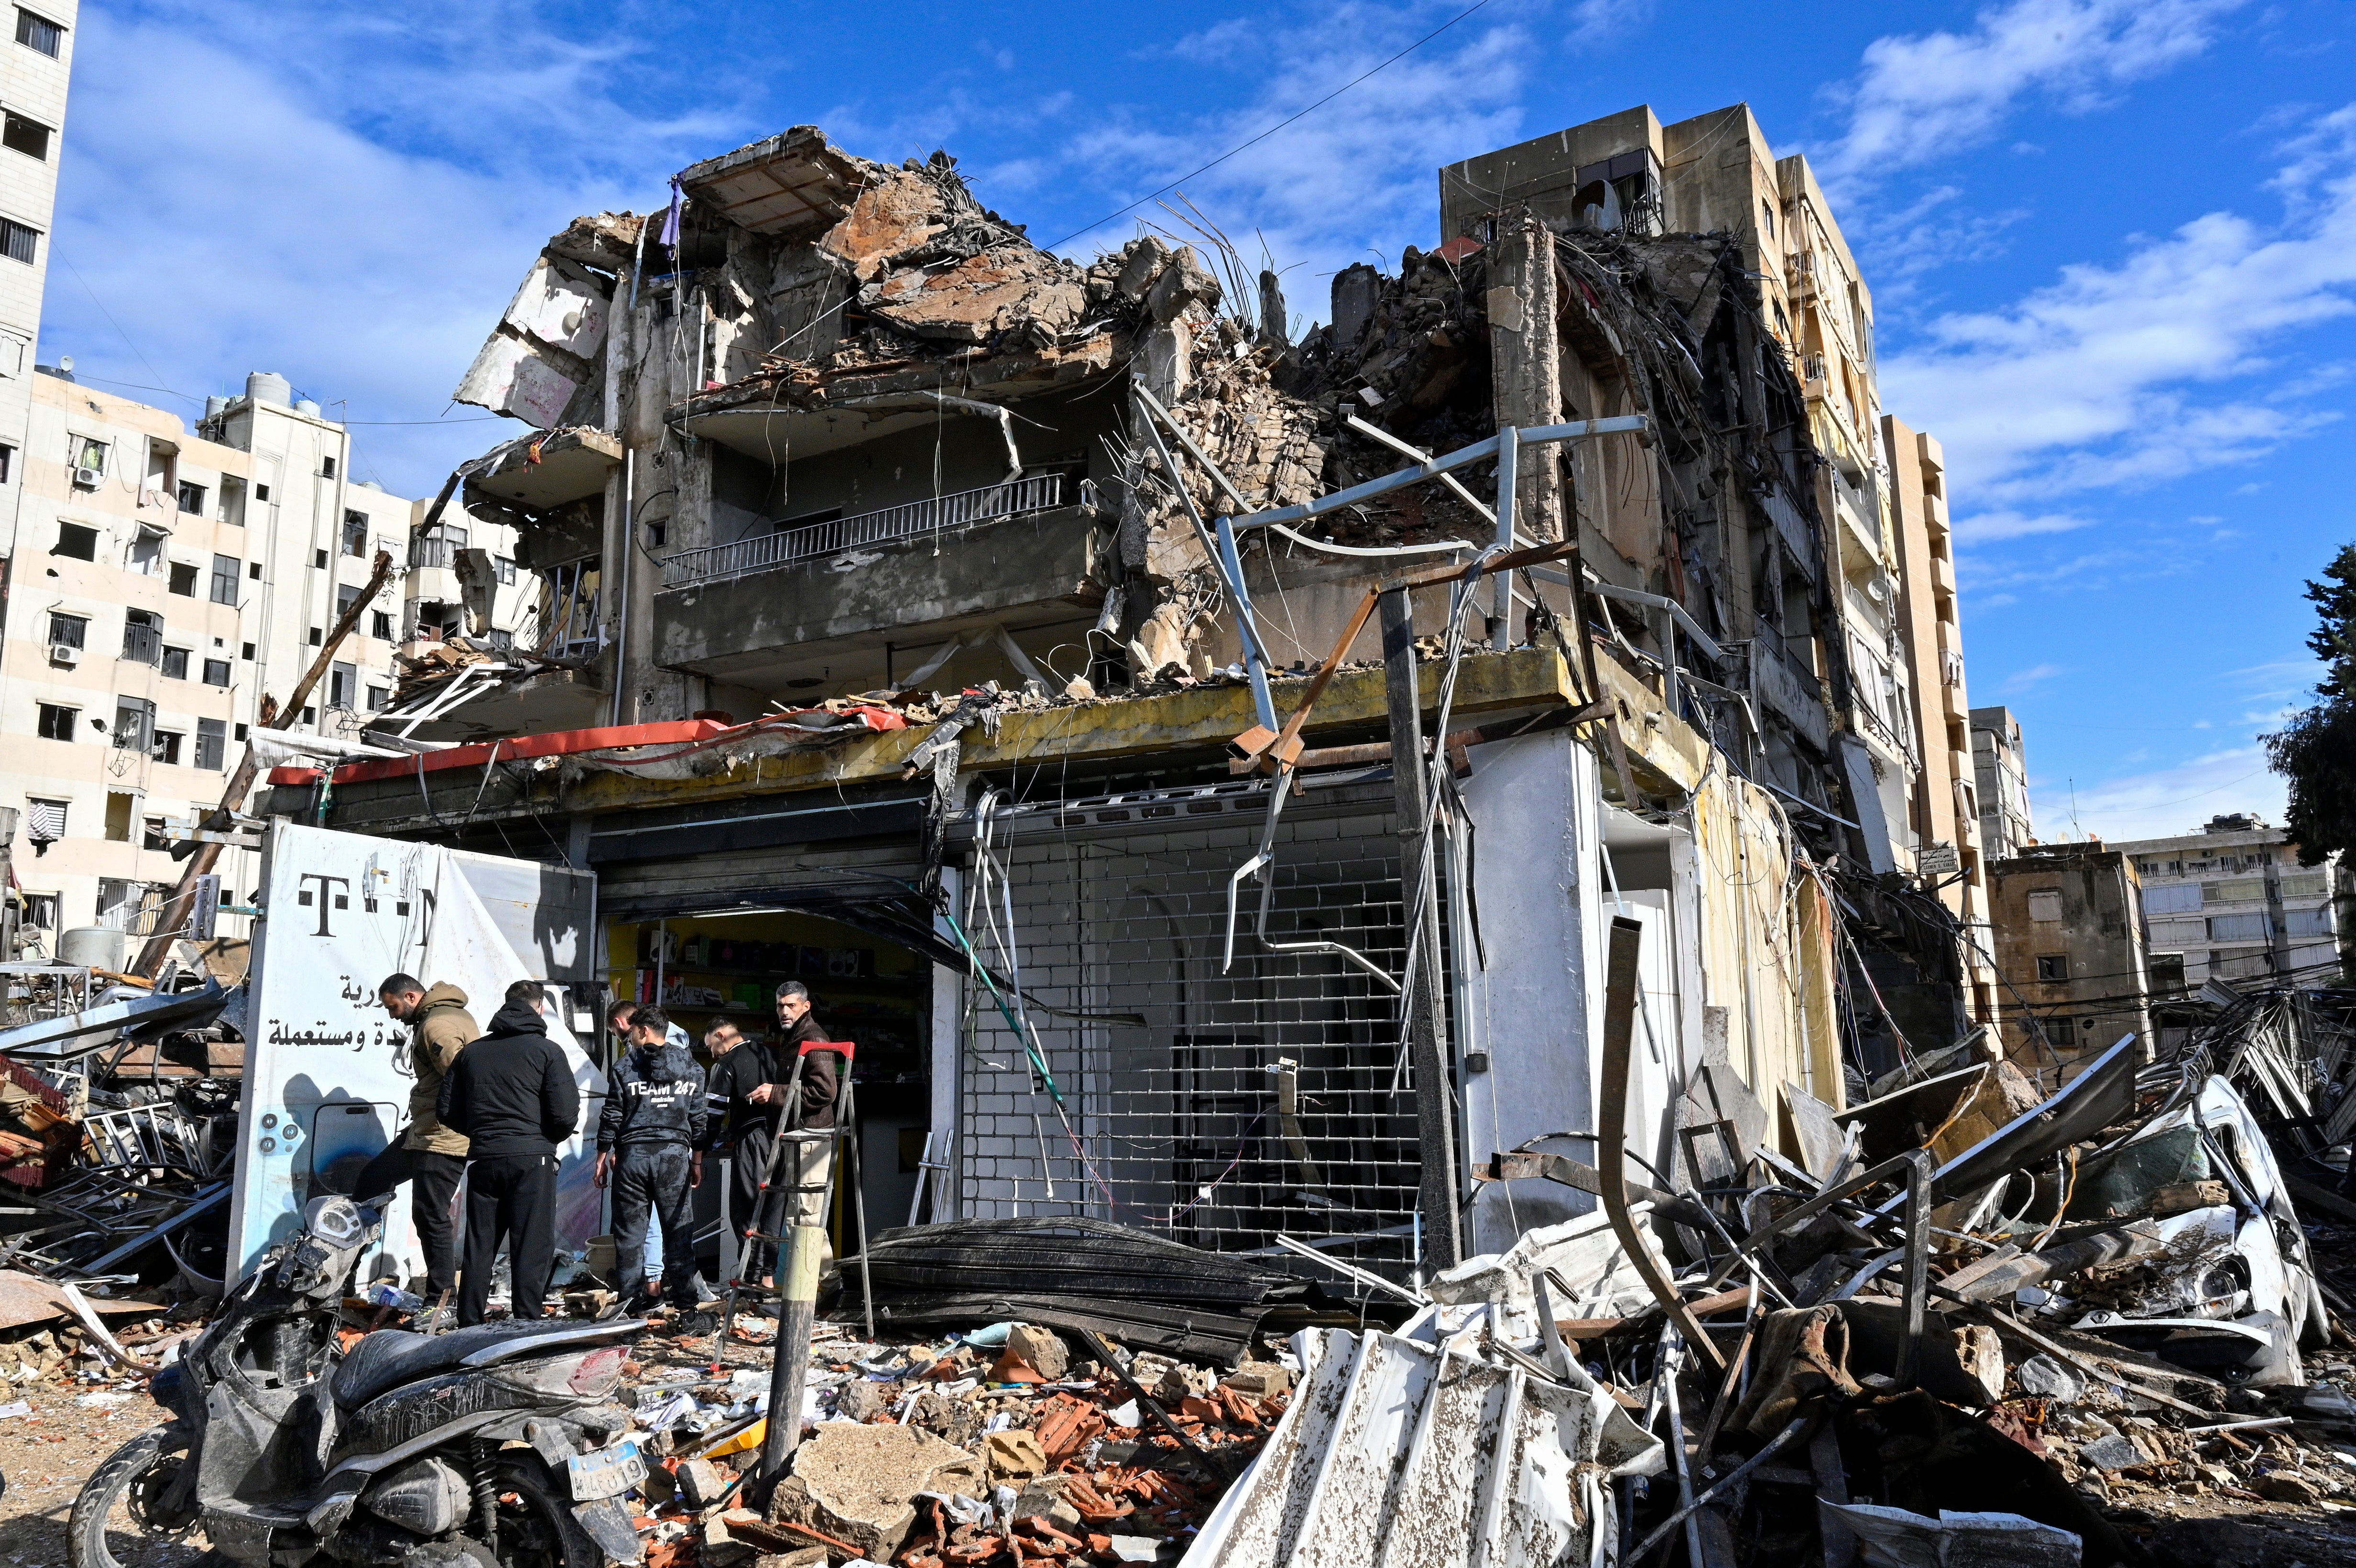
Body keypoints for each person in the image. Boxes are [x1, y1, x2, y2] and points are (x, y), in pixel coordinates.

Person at [439, 979, 580, 1325]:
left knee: (480, 1245)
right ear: (540, 1007)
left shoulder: (471, 1053)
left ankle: (469, 1323)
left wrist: (482, 1134)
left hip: (485, 1159)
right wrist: (543, 1141)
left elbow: (445, 1110)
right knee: (531, 1246)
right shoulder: (548, 1051)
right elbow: (564, 1113)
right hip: (533, 1159)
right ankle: (526, 1322)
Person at [356, 974, 477, 1300]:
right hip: (424, 1132)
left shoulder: (436, 1026)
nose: (392, 1015)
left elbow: (466, 1079)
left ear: (410, 997)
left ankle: (441, 1299)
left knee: (430, 1215)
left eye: (392, 1006)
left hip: (442, 1136)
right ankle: (349, 1272)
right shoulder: (442, 1017)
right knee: (372, 1181)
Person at [595, 1005, 706, 1315]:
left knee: (630, 1239)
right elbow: (699, 1121)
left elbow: (612, 1115)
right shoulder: (692, 1068)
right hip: (674, 1158)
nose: (629, 1038)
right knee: (679, 1234)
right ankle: (687, 1312)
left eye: (632, 1032)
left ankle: (629, 1313)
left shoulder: (624, 1067)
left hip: (633, 1159)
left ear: (643, 1031)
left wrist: (602, 1158)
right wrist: (696, 1163)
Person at [744, 981, 842, 1260]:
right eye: (780, 1006)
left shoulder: (815, 1039)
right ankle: (812, 1287)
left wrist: (774, 1093)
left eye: (791, 1005)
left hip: (812, 1136)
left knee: (808, 1217)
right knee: (797, 1216)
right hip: (796, 1134)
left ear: (806, 1006)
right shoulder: (792, 1036)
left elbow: (826, 1091)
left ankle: (821, 1287)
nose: (784, 1011)